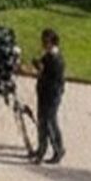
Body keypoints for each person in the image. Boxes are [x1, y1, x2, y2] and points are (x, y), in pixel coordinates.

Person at [31, 29, 67, 165]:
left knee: (49, 122)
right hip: (45, 93)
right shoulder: (48, 56)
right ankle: (42, 148)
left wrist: (39, 69)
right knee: (42, 122)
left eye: (46, 41)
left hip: (51, 95)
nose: (43, 44)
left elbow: (48, 76)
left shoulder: (55, 59)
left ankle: (57, 149)